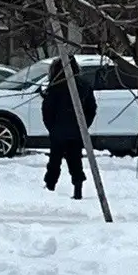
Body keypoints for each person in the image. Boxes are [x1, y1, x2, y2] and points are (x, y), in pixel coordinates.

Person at [42, 56, 96, 198]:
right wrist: (84, 126)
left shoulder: (54, 87)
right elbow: (92, 108)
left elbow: (47, 110)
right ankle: (77, 188)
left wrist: (52, 128)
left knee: (54, 160)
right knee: (75, 160)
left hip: (58, 130)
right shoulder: (84, 85)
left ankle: (50, 187)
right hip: (77, 131)